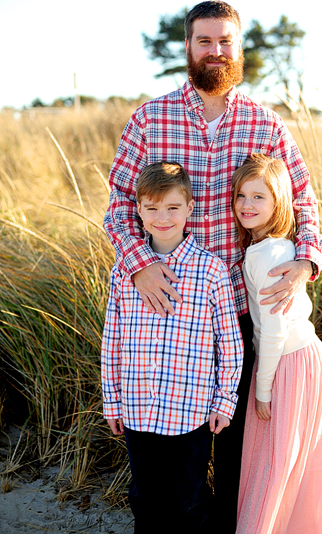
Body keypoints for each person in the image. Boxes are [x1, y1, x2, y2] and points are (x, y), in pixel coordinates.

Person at [103, 0, 322, 530]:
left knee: (234, 449)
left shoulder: (264, 124)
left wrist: (305, 261)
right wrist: (139, 265)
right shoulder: (149, 119)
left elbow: (305, 203)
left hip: (239, 314)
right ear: (188, 46)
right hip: (163, 312)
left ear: (238, 46)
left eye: (225, 40)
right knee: (165, 457)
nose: (216, 51)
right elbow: (117, 205)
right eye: (205, 41)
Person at [101, 161, 243, 532]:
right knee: (145, 497)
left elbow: (229, 343)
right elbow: (111, 341)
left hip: (191, 410)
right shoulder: (124, 272)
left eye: (172, 207)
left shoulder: (212, 271)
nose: (162, 217)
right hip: (138, 408)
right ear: (138, 211)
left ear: (190, 209)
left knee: (190, 499)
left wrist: (225, 400)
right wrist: (112, 401)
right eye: (152, 208)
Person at [231, 154, 322, 534]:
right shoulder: (273, 247)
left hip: (287, 362)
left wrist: (262, 389)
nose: (247, 205)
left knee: (274, 466)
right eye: (241, 196)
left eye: (259, 197)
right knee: (298, 464)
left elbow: (272, 331)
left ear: (279, 203)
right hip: (306, 358)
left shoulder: (269, 255)